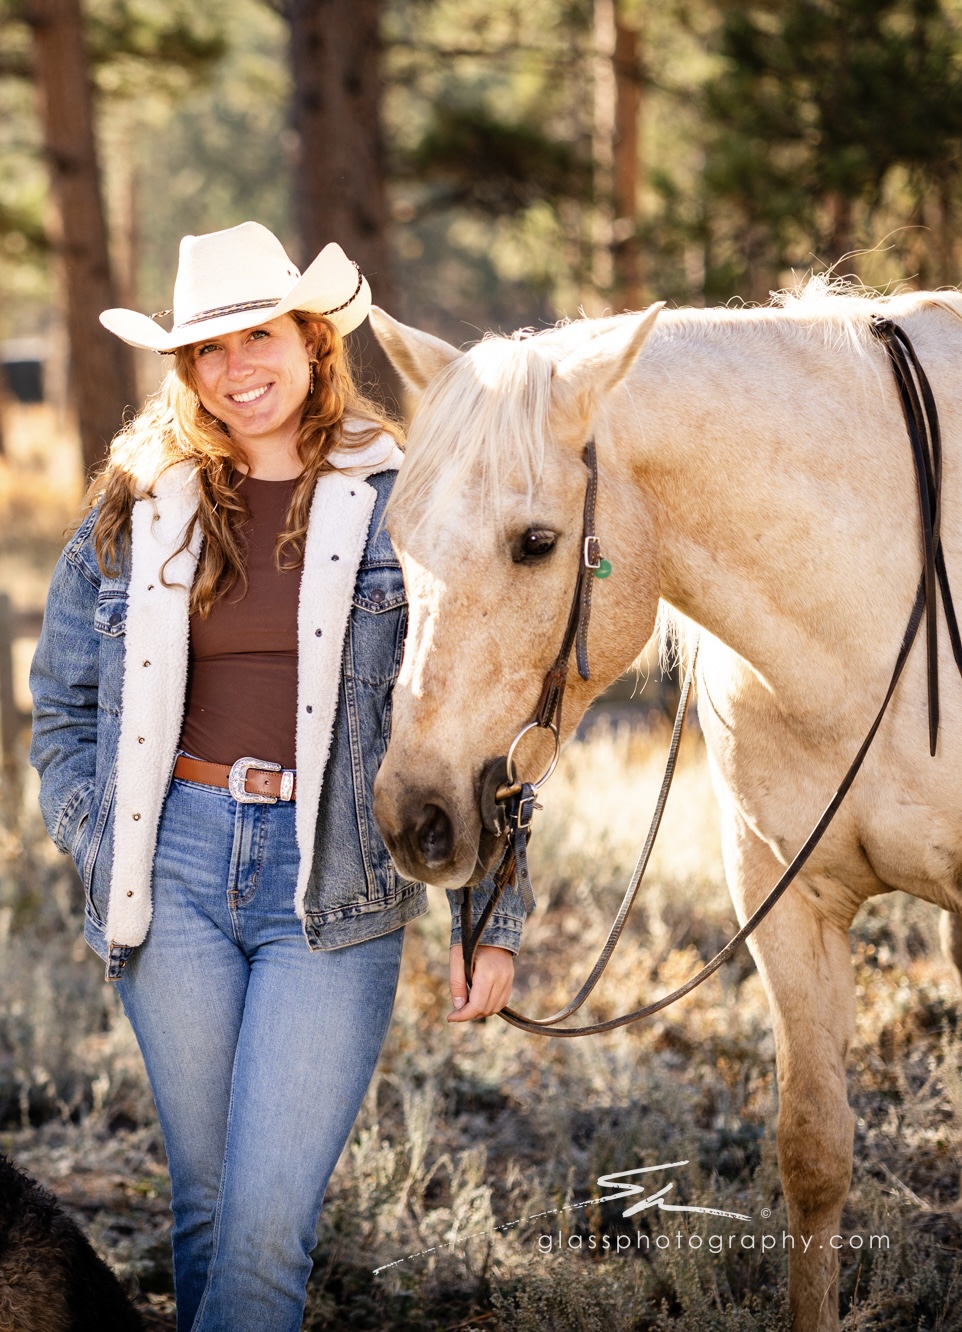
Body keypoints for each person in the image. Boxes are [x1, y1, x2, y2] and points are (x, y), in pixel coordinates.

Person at [29, 221, 526, 1332]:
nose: (234, 368)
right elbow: (59, 708)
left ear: (312, 341)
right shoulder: (135, 503)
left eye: (256, 336)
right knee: (207, 1212)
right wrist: (101, 837)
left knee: (262, 1231)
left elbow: (478, 719)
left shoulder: (402, 498)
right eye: (206, 350)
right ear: (184, 370)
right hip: (174, 876)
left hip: (335, 882)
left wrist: (491, 915)